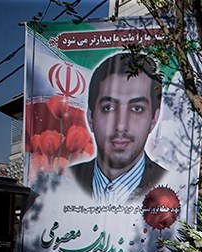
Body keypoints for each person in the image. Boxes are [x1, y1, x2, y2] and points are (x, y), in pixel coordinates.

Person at [68, 52, 167, 203]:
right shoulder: (64, 181)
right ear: (90, 117)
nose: (121, 126)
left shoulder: (170, 184)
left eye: (137, 109)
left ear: (154, 118)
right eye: (108, 108)